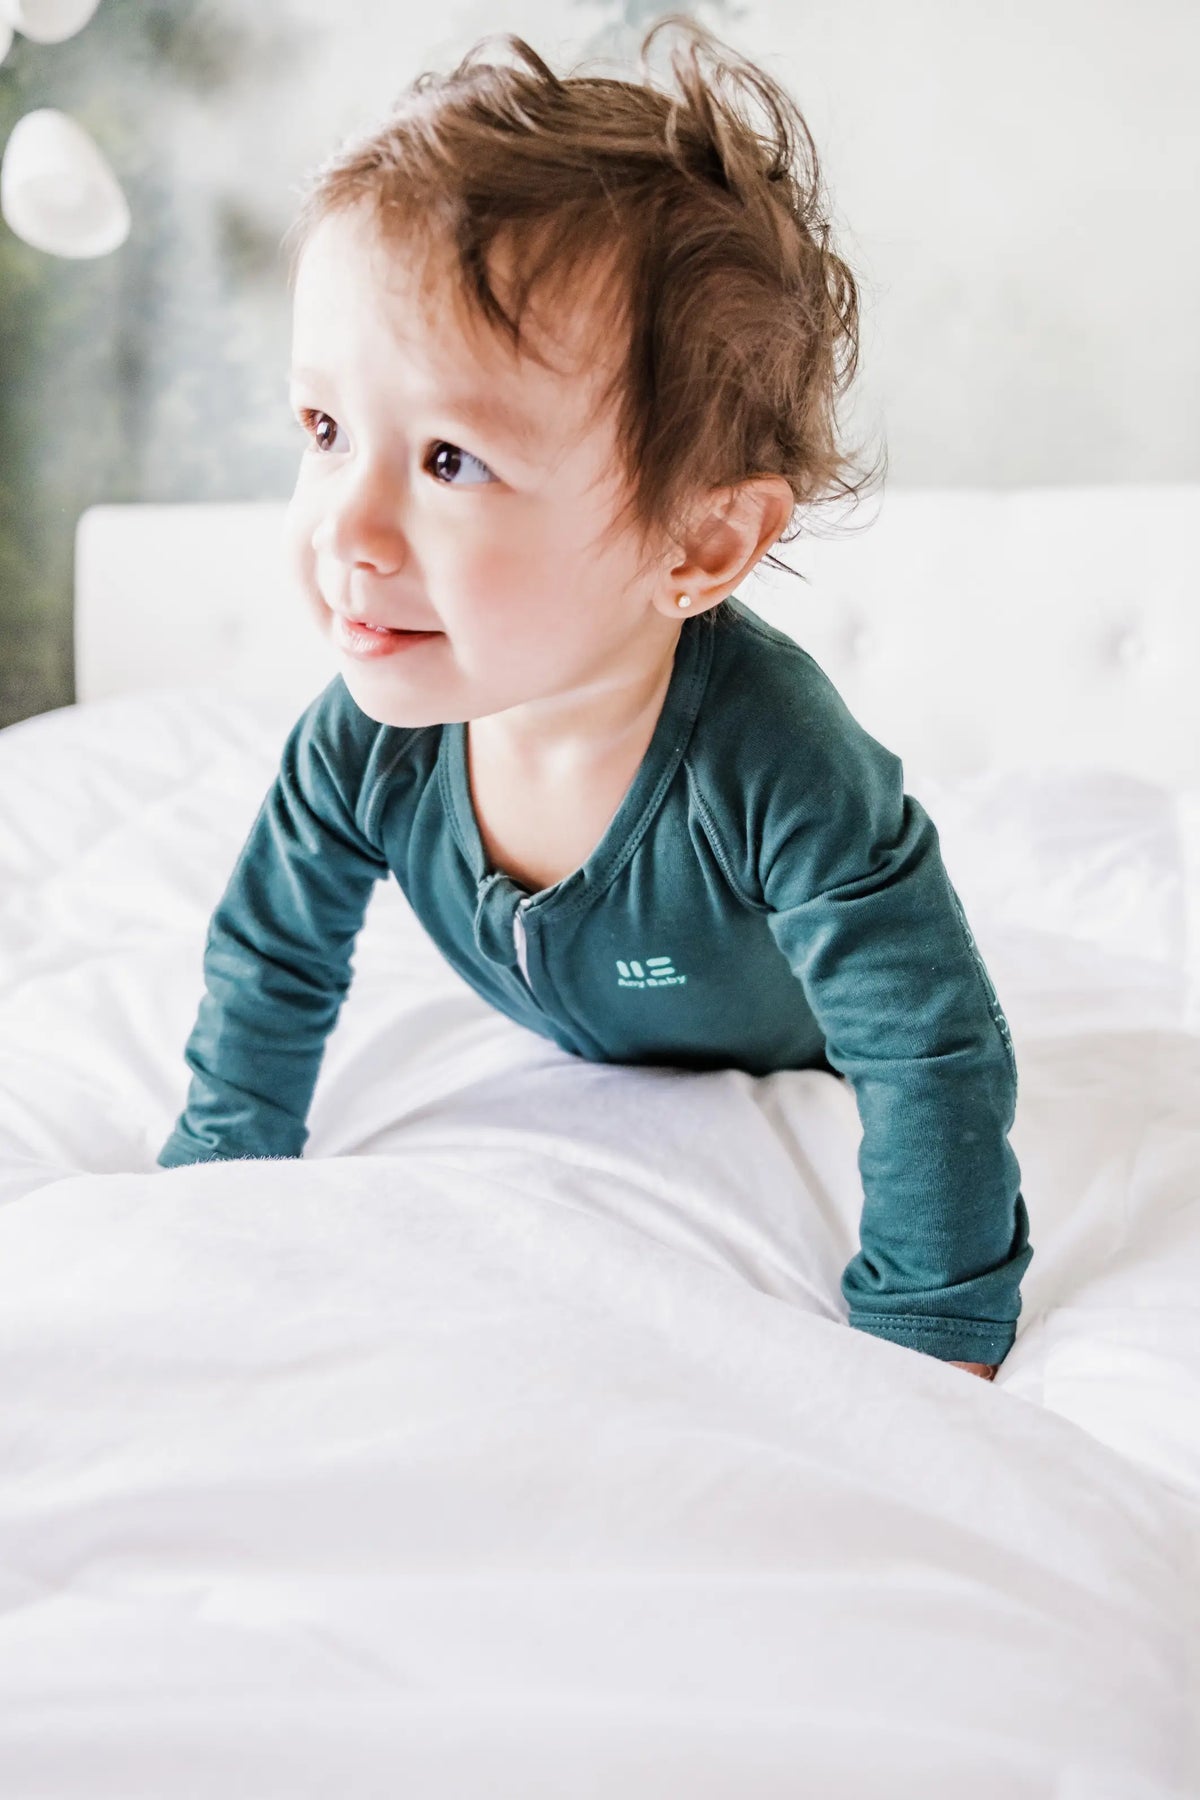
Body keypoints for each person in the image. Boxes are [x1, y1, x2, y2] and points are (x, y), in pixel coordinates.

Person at [157, 15, 1031, 1383]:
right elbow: (272, 956)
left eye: (451, 460)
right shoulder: (365, 745)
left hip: (783, 1039)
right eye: (325, 429)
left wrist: (934, 1320)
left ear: (700, 546)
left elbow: (929, 1047)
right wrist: (220, 1175)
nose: (350, 531)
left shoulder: (778, 762)